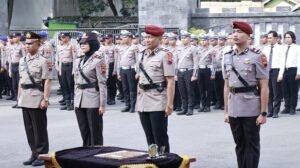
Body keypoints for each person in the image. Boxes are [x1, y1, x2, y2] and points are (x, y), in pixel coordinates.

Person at [223, 21, 269, 168]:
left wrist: (263, 113)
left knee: (252, 144)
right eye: (234, 31)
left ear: (248, 36)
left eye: (239, 32)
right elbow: (226, 86)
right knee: (239, 144)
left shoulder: (257, 56)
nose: (235, 34)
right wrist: (226, 111)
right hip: (234, 107)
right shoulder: (227, 56)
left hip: (251, 107)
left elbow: (264, 86)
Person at [136, 25, 175, 153]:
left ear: (159, 38)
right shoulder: (142, 54)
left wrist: (169, 104)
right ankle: (153, 159)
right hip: (143, 100)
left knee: (160, 136)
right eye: (146, 37)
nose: (147, 40)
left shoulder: (165, 55)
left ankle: (165, 161)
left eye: (151, 37)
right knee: (149, 137)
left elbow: (170, 81)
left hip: (158, 100)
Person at [18, 32, 52, 166]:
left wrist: (46, 99)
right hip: (25, 96)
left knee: (40, 129)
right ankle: (34, 154)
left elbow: (47, 81)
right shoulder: (22, 60)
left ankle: (42, 155)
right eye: (25, 43)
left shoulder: (43, 60)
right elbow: (21, 80)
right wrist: (18, 97)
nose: (26, 46)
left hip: (37, 97)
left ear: (38, 45)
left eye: (30, 43)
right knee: (29, 128)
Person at [74, 32, 107, 146]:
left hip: (93, 99)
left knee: (95, 132)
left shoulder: (98, 60)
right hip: (79, 100)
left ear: (92, 44)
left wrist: (102, 104)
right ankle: (86, 155)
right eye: (81, 43)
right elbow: (76, 80)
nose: (82, 45)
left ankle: (97, 156)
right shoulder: (79, 59)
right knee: (84, 131)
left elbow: (102, 83)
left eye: (85, 43)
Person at [262, 31, 284, 118]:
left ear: (275, 38)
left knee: (276, 92)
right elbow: (263, 60)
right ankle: (270, 111)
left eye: (270, 38)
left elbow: (282, 62)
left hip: (276, 70)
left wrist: (281, 74)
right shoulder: (265, 48)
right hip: (267, 71)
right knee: (268, 92)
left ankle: (276, 111)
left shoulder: (280, 48)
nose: (269, 39)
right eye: (268, 38)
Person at [176, 30, 198, 116]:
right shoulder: (178, 48)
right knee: (182, 91)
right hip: (180, 72)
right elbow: (176, 61)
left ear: (189, 39)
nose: (183, 39)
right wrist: (175, 74)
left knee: (190, 91)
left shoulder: (193, 49)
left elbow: (196, 62)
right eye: (182, 38)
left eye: (185, 38)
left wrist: (195, 74)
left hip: (189, 71)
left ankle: (190, 108)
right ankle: (184, 108)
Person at [116, 30, 139, 113]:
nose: (122, 38)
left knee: (132, 88)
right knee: (125, 88)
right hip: (123, 69)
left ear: (129, 38)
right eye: (122, 37)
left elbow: (137, 60)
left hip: (131, 70)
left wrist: (138, 72)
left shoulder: (134, 47)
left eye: (125, 37)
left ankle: (133, 106)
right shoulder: (119, 48)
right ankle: (127, 105)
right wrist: (118, 72)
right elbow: (118, 60)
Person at [279, 31, 300, 115]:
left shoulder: (297, 48)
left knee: (293, 90)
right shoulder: (283, 48)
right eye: (286, 37)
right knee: (285, 90)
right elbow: (281, 61)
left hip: (293, 70)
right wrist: (280, 73)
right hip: (285, 70)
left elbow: (299, 61)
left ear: (293, 38)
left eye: (289, 37)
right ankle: (286, 107)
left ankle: (292, 108)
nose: (287, 39)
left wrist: (298, 73)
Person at [57, 32, 76, 111]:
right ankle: (67, 103)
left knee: (70, 85)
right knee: (64, 85)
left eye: (64, 37)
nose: (62, 38)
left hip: (70, 66)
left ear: (68, 37)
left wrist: (74, 69)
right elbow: (60, 59)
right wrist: (60, 69)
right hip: (63, 67)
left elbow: (75, 59)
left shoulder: (72, 46)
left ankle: (72, 103)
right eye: (62, 37)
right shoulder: (59, 47)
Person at [197, 35, 213, 112]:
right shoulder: (199, 49)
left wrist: (213, 73)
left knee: (208, 89)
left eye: (204, 40)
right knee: (201, 88)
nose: (203, 42)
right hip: (200, 69)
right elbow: (196, 61)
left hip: (208, 69)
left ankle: (208, 105)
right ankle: (202, 105)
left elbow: (214, 62)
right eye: (202, 40)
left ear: (208, 41)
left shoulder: (211, 49)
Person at [10, 32, 25, 108]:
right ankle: (17, 101)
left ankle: (21, 102)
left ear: (19, 37)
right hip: (13, 66)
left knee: (20, 85)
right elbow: (10, 58)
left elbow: (24, 58)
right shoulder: (11, 46)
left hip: (19, 66)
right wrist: (10, 70)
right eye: (13, 37)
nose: (14, 38)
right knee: (14, 85)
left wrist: (23, 69)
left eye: (15, 37)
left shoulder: (22, 46)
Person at [103, 33, 117, 105]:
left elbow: (115, 59)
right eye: (105, 38)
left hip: (111, 65)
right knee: (107, 83)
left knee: (112, 83)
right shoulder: (102, 47)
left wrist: (115, 70)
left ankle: (112, 98)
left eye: (108, 38)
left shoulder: (114, 47)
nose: (106, 40)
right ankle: (108, 98)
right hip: (104, 66)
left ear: (111, 38)